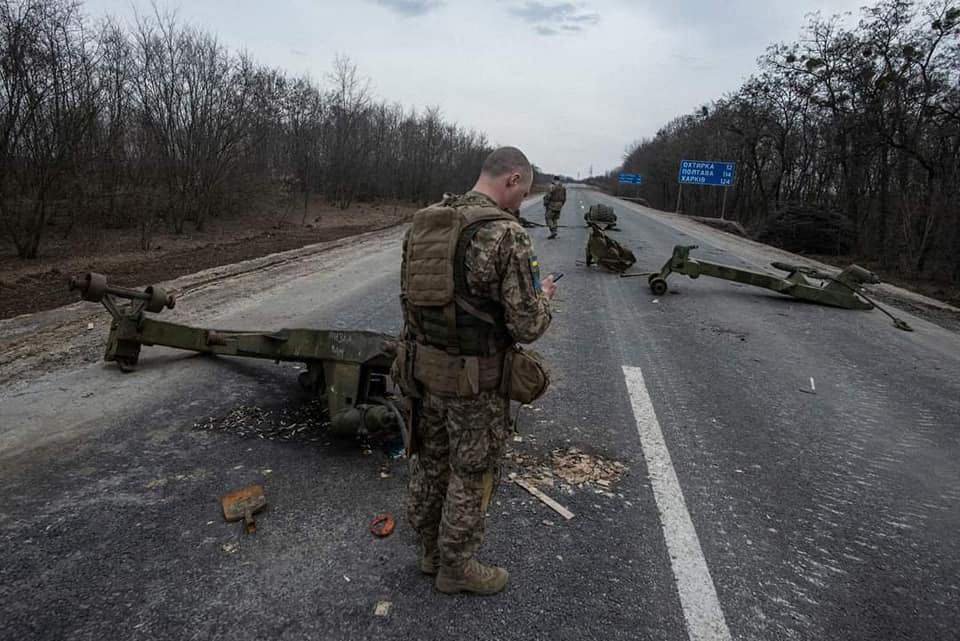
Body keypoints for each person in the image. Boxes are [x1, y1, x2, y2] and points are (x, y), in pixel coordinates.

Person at [397, 146, 556, 595]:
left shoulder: (425, 222)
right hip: (476, 383)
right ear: (512, 180)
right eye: (522, 191)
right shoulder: (506, 234)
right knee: (472, 471)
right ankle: (457, 567)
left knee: (430, 462)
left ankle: (429, 551)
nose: (521, 201)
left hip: (423, 371)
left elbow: (408, 303)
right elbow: (527, 325)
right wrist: (545, 299)